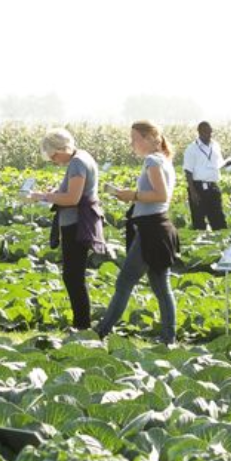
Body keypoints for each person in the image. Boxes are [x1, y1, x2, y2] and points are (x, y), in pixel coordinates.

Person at [95, 120, 179, 344]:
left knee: (125, 282)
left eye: (135, 139)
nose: (132, 144)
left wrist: (131, 195)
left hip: (151, 229)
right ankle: (169, 336)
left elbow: (160, 195)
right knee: (161, 286)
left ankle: (101, 332)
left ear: (149, 138)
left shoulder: (153, 160)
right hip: (159, 227)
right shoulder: (164, 161)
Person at [29, 128, 101, 330]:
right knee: (74, 275)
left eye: (53, 155)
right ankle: (81, 324)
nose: (53, 159)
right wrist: (56, 192)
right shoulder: (82, 157)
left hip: (76, 225)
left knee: (73, 276)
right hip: (77, 223)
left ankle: (82, 325)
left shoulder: (77, 163)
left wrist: (43, 196)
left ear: (62, 149)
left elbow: (72, 198)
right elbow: (71, 192)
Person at [182, 121, 226, 230]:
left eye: (211, 132)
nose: (209, 134)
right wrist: (193, 192)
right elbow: (188, 171)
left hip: (213, 187)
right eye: (207, 132)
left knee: (219, 220)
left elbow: (219, 163)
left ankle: (221, 244)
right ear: (200, 132)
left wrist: (228, 163)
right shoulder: (192, 148)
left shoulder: (215, 146)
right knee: (199, 221)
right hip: (198, 188)